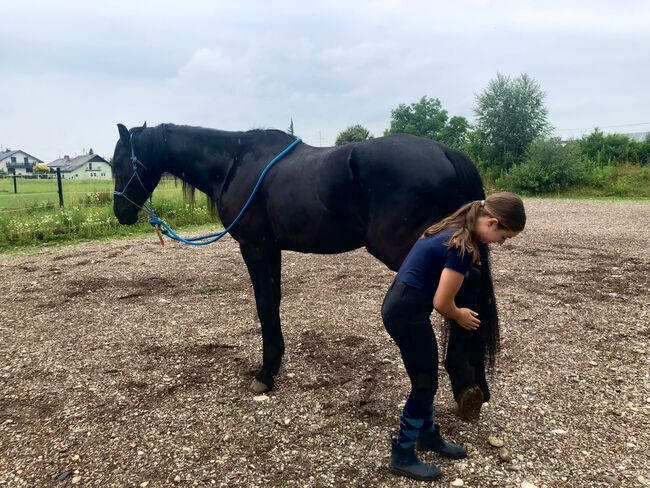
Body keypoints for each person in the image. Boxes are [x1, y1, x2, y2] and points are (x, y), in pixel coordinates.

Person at [381, 192, 526, 481]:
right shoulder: (461, 247)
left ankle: (429, 435)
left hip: (402, 305)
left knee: (425, 377)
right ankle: (403, 453)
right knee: (424, 384)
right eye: (504, 237)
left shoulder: (451, 227)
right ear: (493, 222)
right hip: (406, 314)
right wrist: (459, 314)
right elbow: (442, 303)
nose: (500, 243)